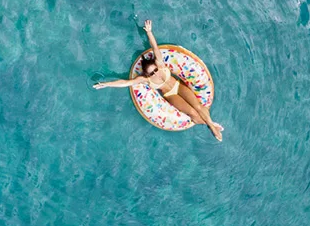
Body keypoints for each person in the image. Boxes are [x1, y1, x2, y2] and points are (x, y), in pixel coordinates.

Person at [93, 19, 224, 141]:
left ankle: (212, 126)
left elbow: (155, 48)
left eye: (155, 70)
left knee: (197, 106)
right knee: (192, 114)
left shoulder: (161, 65)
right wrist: (106, 84)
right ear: (147, 74)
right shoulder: (145, 79)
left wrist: (149, 32)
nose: (155, 74)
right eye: (151, 73)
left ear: (157, 66)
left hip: (178, 86)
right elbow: (126, 83)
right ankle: (211, 124)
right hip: (170, 95)